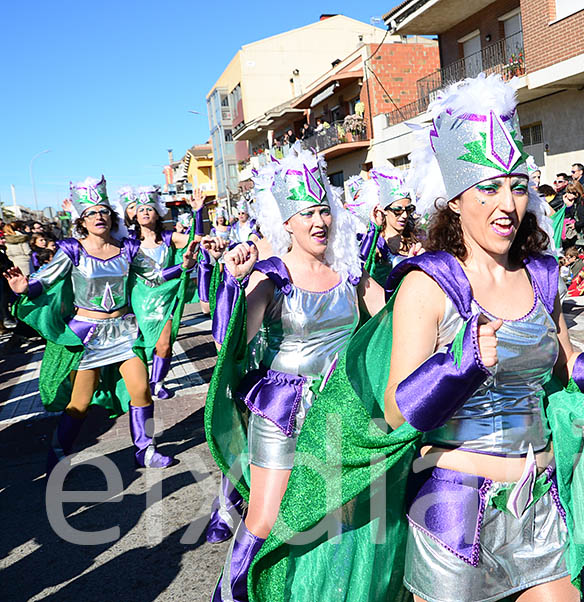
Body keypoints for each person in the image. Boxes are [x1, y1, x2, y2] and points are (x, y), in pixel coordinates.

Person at [245, 73, 584, 602]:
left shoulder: (542, 273)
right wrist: (460, 363)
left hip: (534, 502)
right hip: (453, 508)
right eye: (488, 188)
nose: (506, 203)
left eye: (517, 185)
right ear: (455, 199)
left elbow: (563, 364)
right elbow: (396, 409)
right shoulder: (429, 283)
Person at [205, 148, 385, 601]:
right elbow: (232, 341)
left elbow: (394, 321)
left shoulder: (349, 273)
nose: (319, 221)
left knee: (334, 513)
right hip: (284, 409)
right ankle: (229, 595)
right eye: (307, 213)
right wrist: (232, 282)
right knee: (267, 516)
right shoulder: (271, 276)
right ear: (287, 222)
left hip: (340, 405)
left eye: (324, 209)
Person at [4, 176, 199, 473]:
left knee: (142, 391)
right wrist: (24, 288)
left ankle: (144, 450)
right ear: (82, 220)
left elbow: (154, 277)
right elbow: (44, 282)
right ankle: (57, 458)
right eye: (92, 212)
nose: (99, 216)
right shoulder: (72, 249)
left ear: (113, 217)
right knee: (79, 405)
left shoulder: (128, 248)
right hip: (89, 335)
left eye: (104, 211)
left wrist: (183, 267)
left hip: (124, 332)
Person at [126, 186, 203, 399]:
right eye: (140, 209)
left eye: (149, 209)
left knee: (164, 344)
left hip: (165, 298)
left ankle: (157, 383)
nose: (145, 212)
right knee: (139, 344)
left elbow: (194, 239)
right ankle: (141, 381)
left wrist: (198, 211)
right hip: (139, 300)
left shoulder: (168, 238)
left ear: (157, 213)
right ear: (134, 215)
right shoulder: (130, 243)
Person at [354, 167, 423, 286]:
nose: (404, 215)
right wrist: (373, 230)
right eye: (397, 210)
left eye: (408, 209)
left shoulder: (416, 239)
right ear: (384, 211)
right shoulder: (376, 244)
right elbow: (358, 273)